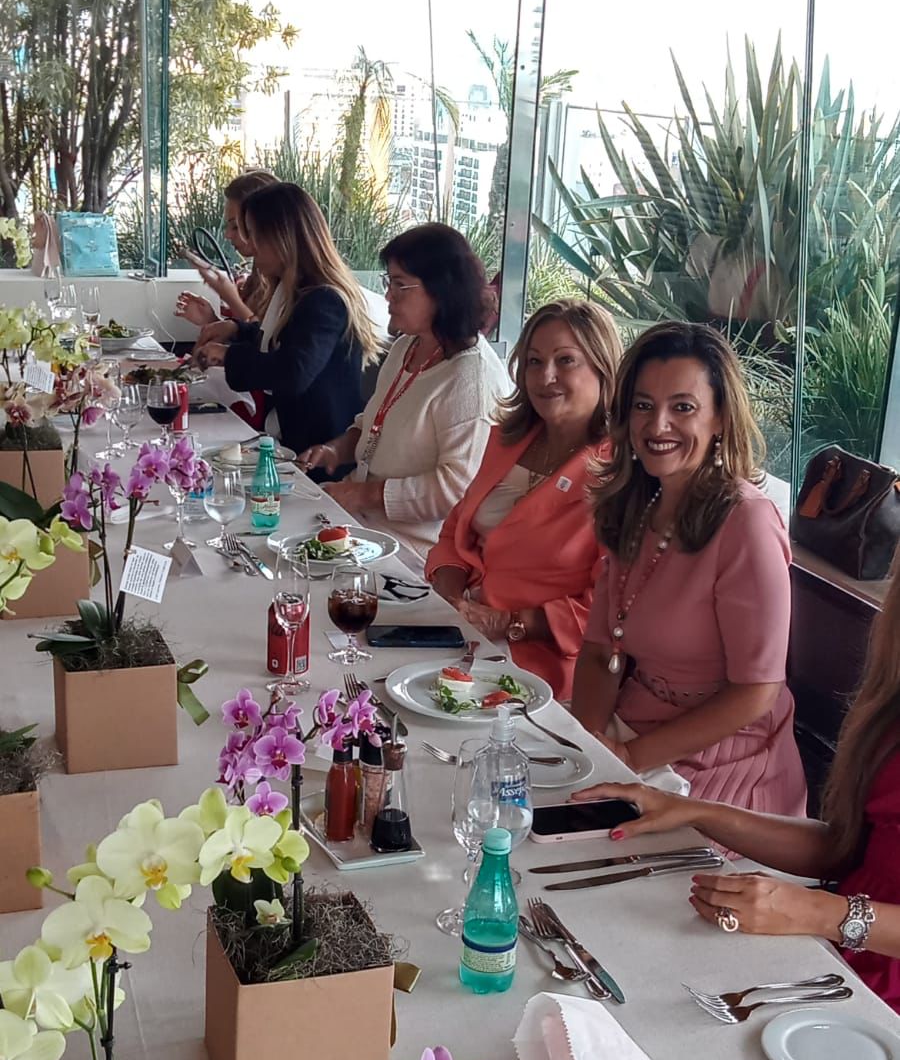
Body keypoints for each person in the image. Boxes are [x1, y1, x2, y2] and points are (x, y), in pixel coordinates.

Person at [578, 550, 900, 1012]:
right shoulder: (889, 705)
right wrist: (697, 812)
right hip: (836, 966)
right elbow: (847, 850)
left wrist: (817, 911)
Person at [572, 321, 806, 813]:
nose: (658, 426)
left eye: (683, 407)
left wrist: (628, 758)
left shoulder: (747, 522)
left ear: (720, 418)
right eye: (643, 406)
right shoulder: (635, 507)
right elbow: (599, 651)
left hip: (728, 764)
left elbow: (757, 691)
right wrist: (590, 750)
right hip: (633, 732)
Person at [425, 300, 621, 697]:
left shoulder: (619, 474)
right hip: (464, 638)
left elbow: (612, 609)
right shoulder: (508, 440)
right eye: (534, 361)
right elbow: (455, 530)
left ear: (603, 369)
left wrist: (508, 622)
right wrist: (451, 599)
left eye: (565, 360)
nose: (545, 376)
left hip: (540, 668)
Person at [298, 223, 508, 565]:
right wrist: (337, 449)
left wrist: (362, 495)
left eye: (400, 285)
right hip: (362, 527)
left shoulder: (472, 379)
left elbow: (455, 490)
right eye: (389, 282)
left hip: (413, 554)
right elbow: (374, 422)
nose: (388, 296)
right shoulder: (407, 346)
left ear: (442, 290)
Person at [194, 183, 382, 457]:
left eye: (254, 235)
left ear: (283, 238)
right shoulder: (290, 289)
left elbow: (293, 371)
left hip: (318, 452)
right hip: (289, 437)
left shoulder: (325, 300)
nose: (250, 247)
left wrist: (227, 355)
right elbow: (283, 340)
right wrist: (236, 329)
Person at [175, 169, 277, 328]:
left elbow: (267, 339)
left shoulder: (292, 287)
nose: (228, 235)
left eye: (236, 226)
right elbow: (248, 338)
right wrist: (212, 321)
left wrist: (231, 298)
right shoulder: (255, 279)